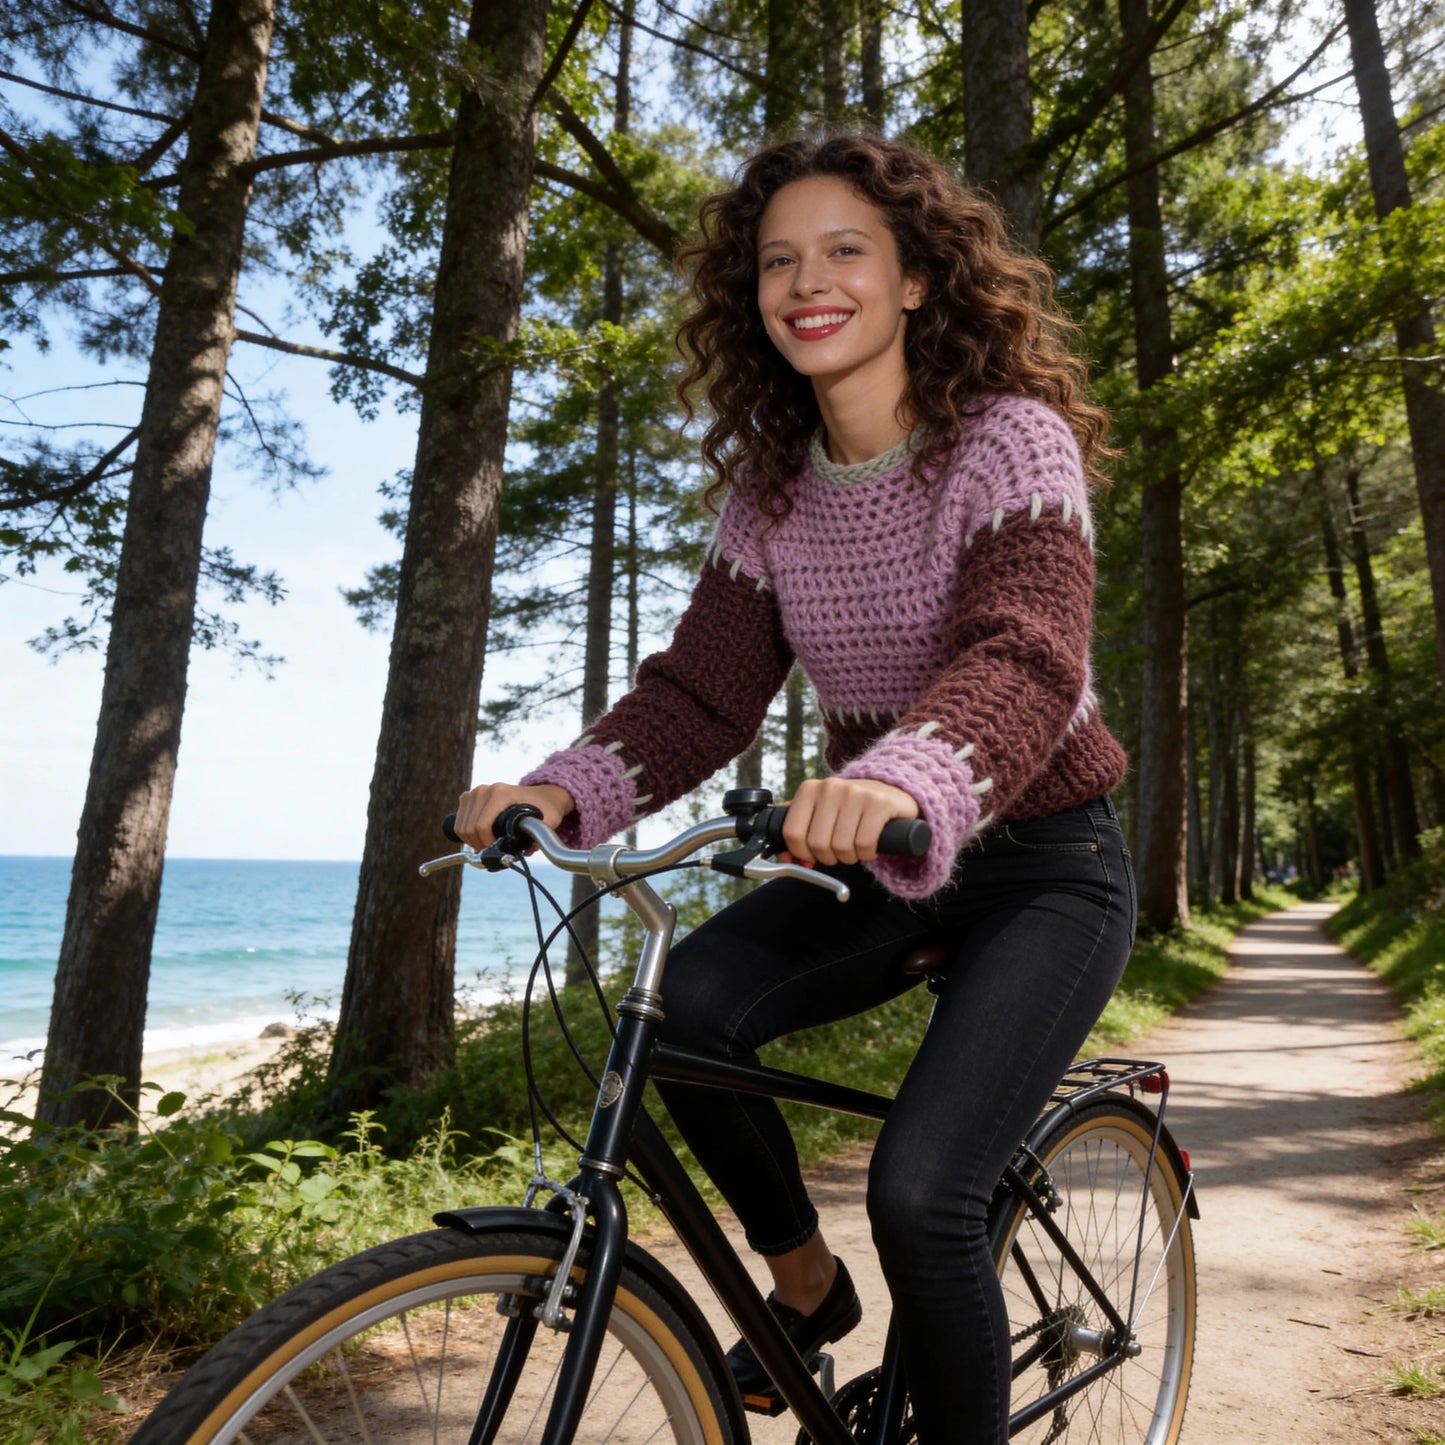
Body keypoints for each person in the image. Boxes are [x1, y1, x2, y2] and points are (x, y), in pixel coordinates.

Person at [454, 131, 1135, 1444]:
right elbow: (700, 693)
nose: (805, 282)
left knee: (924, 1189)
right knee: (693, 1006)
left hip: (1044, 858)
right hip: (876, 844)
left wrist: (900, 775)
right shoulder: (769, 496)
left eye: (843, 251)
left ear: (917, 280)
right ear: (748, 297)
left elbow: (1026, 651)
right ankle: (805, 1294)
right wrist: (558, 788)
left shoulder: (1009, 442)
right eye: (777, 260)